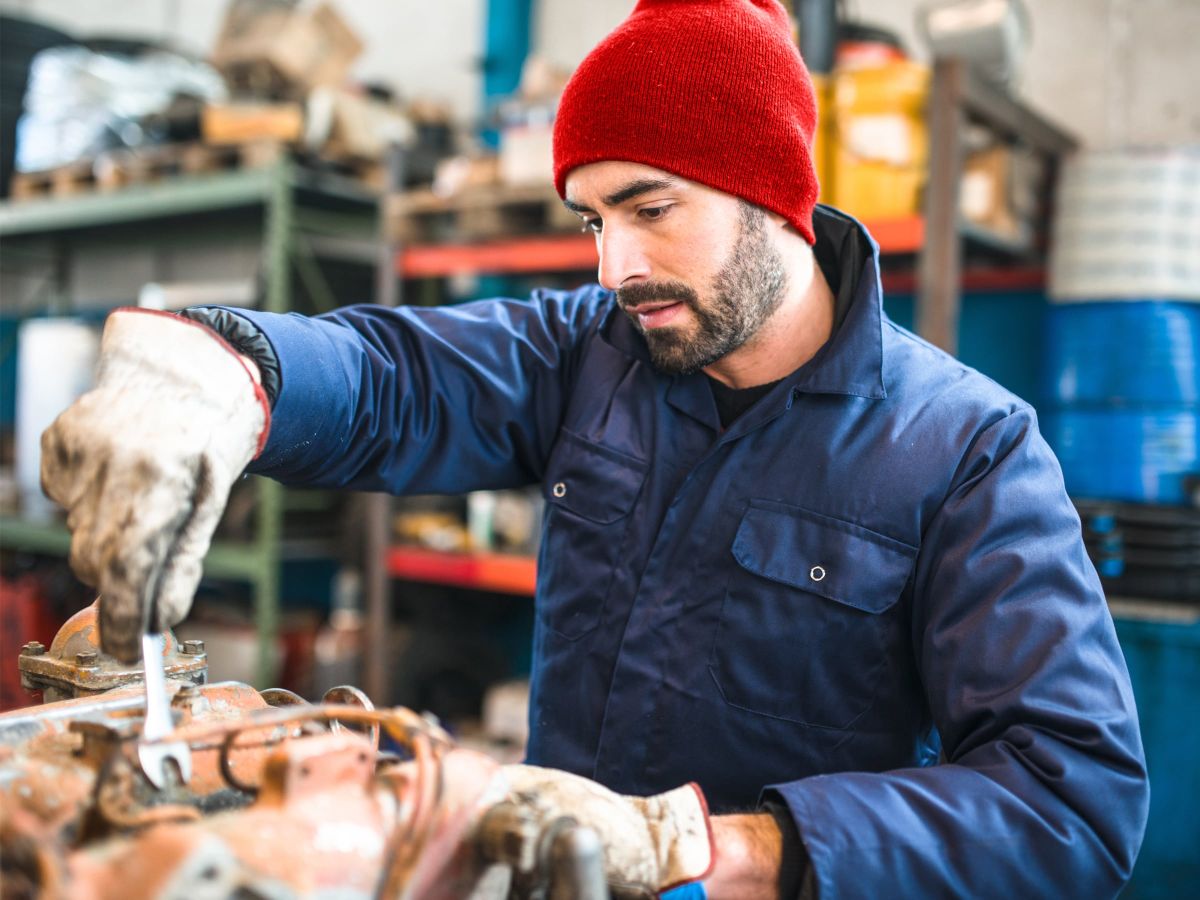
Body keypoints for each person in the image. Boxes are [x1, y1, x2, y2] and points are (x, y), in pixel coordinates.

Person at [41, 0, 1148, 897]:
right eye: (592, 219)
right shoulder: (594, 354)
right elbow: (393, 380)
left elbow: (1068, 804)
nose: (614, 265)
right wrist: (227, 376)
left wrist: (709, 850)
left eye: (651, 208)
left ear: (776, 196)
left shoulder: (968, 451)